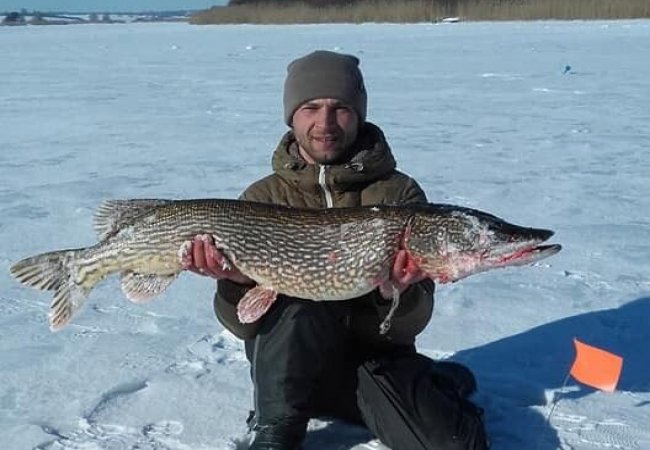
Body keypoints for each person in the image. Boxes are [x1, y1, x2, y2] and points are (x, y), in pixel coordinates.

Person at [182, 50, 489, 450]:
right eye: (310, 107)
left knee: (456, 445)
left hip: (373, 357)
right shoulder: (261, 198)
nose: (325, 123)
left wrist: (396, 293)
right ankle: (275, 430)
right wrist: (235, 282)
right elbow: (244, 327)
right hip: (288, 366)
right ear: (292, 117)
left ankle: (427, 384)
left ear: (358, 115)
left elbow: (410, 325)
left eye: (340, 108)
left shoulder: (399, 195)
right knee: (297, 295)